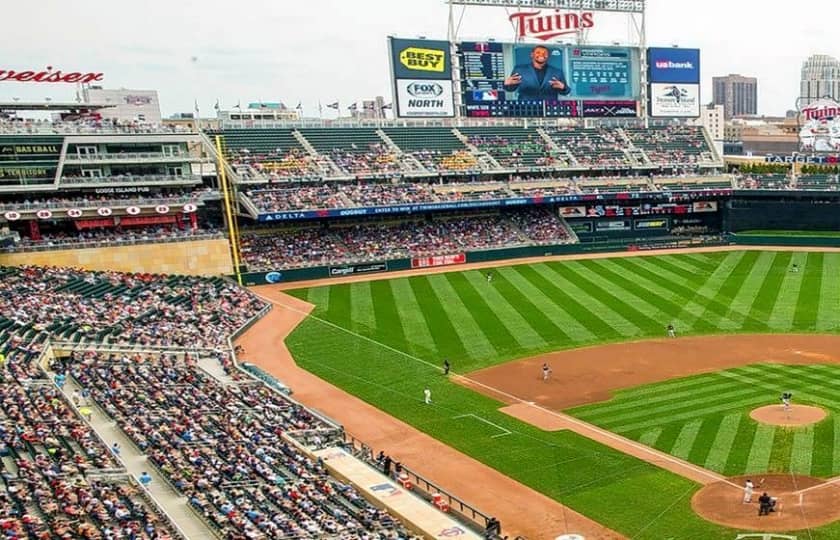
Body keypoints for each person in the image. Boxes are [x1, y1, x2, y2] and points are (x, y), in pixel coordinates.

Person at [503, 44, 570, 101]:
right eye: (538, 52)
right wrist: (507, 85)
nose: (541, 55)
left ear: (548, 56)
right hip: (526, 110)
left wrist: (563, 87)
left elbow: (566, 91)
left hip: (549, 110)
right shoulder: (520, 70)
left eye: (545, 53)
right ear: (532, 55)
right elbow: (511, 89)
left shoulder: (557, 72)